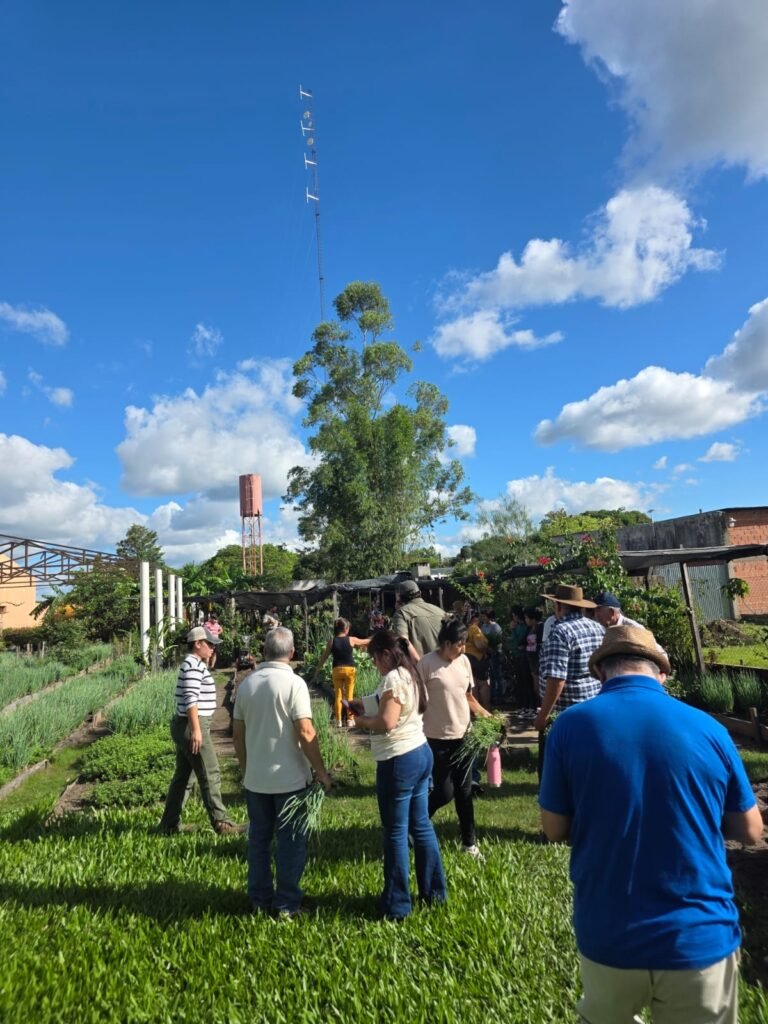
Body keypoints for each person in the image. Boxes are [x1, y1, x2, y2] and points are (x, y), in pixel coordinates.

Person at [539, 624, 763, 1024]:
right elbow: (750, 830)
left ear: (601, 672)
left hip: (609, 934)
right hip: (698, 936)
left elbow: (554, 828)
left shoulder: (570, 726)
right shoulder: (710, 728)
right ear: (661, 673)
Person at [232, 626, 333, 917]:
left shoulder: (247, 685)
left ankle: (260, 899)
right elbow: (306, 731)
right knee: (290, 842)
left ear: (264, 652)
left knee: (259, 841)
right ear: (292, 652)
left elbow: (237, 735)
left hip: (256, 780)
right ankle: (287, 903)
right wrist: (321, 772)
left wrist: (246, 768)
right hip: (290, 779)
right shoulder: (294, 684)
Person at [349, 629, 446, 921]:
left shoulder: (393, 678)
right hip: (420, 752)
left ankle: (397, 904)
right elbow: (396, 708)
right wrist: (365, 704)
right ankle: (434, 894)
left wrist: (361, 721)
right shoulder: (411, 672)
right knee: (421, 825)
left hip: (398, 760)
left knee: (395, 832)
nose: (374, 664)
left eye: (375, 658)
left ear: (385, 654)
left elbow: (387, 721)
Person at [416, 618, 492, 857]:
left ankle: (470, 843)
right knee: (444, 792)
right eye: (459, 644)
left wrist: (487, 716)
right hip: (436, 737)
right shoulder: (427, 664)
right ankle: (415, 823)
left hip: (464, 736)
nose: (462, 649)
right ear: (446, 643)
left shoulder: (464, 662)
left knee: (465, 792)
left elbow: (468, 697)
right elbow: (417, 699)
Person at [157, 626, 242, 836]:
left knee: (184, 778)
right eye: (210, 644)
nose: (213, 648)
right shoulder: (193, 666)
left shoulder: (193, 664)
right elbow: (191, 700)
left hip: (186, 724)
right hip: (192, 724)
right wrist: (196, 730)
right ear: (197, 644)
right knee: (210, 772)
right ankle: (222, 823)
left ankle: (168, 825)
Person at [534, 584, 604, 778]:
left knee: (555, 772)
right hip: (593, 708)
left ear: (558, 606)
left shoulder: (560, 632)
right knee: (586, 769)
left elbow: (556, 678)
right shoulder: (598, 628)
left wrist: (543, 716)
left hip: (565, 714)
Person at [316, 617, 371, 728]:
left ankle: (339, 721)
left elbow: (324, 656)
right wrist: (374, 638)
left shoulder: (332, 641)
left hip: (337, 670)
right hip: (349, 670)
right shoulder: (351, 639)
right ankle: (350, 720)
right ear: (346, 629)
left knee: (338, 696)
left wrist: (318, 668)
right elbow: (365, 642)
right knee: (349, 696)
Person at [390, 579, 445, 658]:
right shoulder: (440, 611)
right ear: (420, 593)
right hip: (447, 664)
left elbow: (403, 642)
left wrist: (419, 664)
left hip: (421, 664)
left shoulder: (402, 613)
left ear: (400, 599)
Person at [464, 611, 490, 709]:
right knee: (483, 684)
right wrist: (486, 649)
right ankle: (486, 708)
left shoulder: (463, 629)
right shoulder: (474, 629)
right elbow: (480, 645)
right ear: (474, 619)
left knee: (473, 684)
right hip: (477, 658)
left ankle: (476, 710)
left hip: (466, 658)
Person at [480, 607, 504, 705]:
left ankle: (499, 697)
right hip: (487, 654)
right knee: (491, 676)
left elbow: (497, 641)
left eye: (484, 616)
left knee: (497, 675)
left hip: (495, 653)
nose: (483, 618)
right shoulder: (483, 626)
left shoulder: (495, 627)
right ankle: (493, 697)